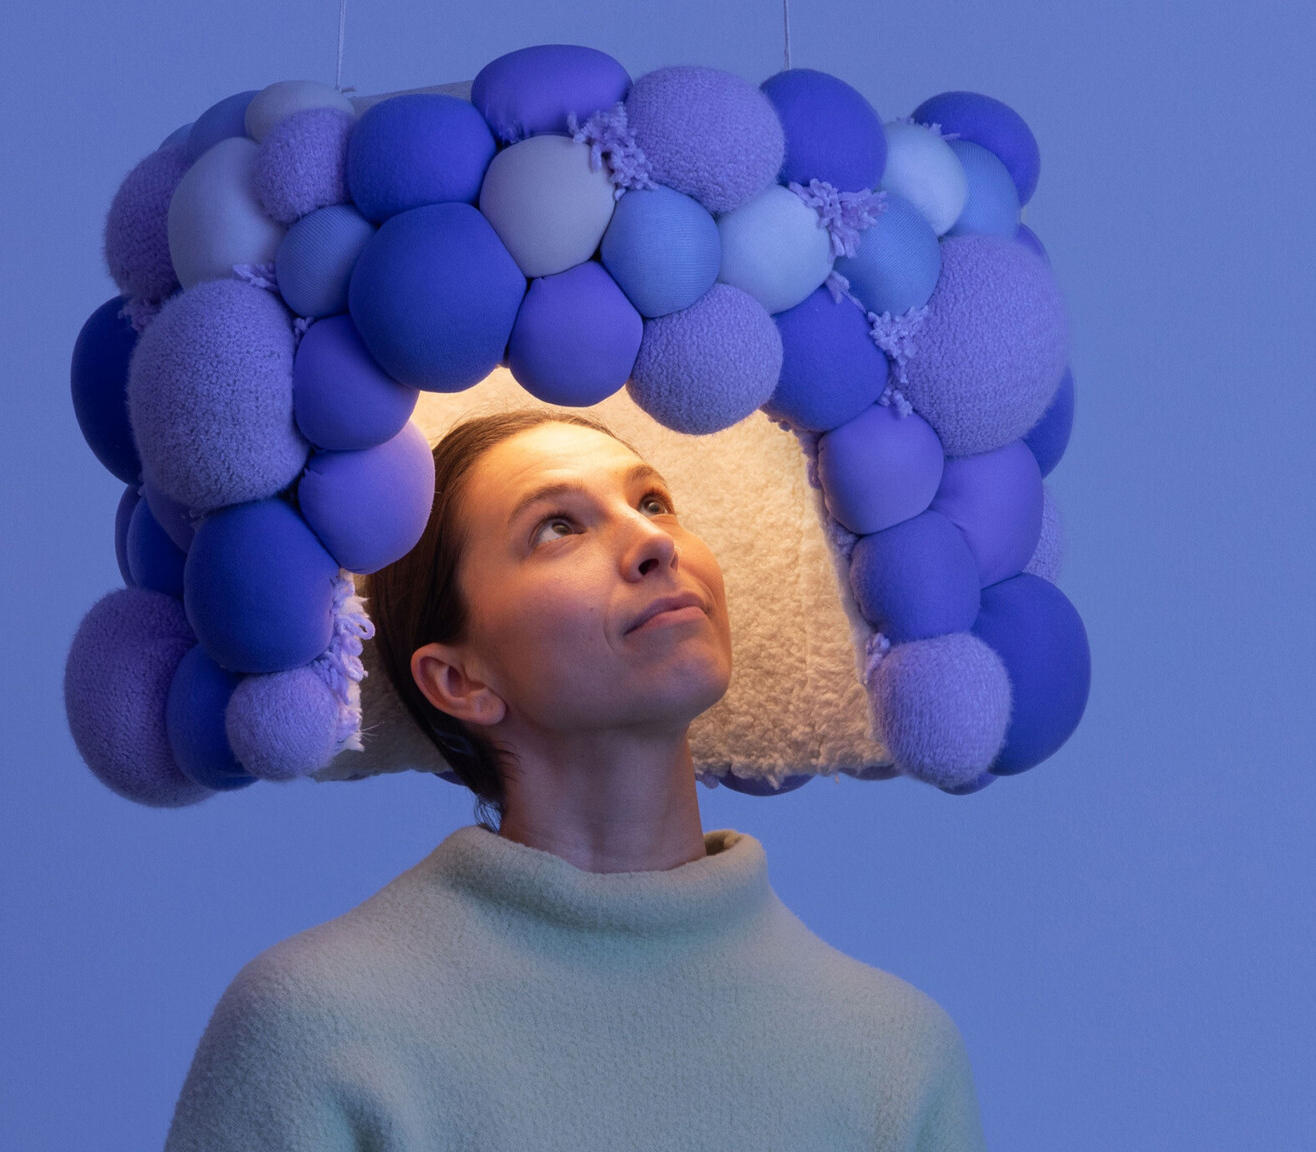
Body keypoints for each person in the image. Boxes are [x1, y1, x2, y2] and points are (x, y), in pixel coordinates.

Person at [163, 408, 988, 1151]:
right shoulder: (314, 1030)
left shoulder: (897, 1058)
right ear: (459, 681)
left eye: (655, 502)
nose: (654, 541)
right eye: (558, 526)